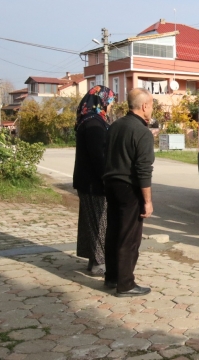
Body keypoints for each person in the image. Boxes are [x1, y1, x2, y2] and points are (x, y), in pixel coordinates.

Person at [102, 88, 155, 297]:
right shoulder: (142, 132)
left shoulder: (115, 126)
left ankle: (112, 276)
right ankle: (125, 284)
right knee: (129, 237)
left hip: (111, 183)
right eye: (151, 105)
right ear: (144, 106)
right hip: (129, 187)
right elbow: (143, 169)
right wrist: (147, 201)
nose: (151, 109)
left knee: (114, 231)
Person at [72, 85, 115, 276]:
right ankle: (99, 262)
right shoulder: (94, 124)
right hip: (94, 182)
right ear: (101, 101)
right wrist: (107, 178)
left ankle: (93, 260)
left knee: (92, 221)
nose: (111, 107)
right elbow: (98, 156)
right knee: (100, 222)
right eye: (110, 102)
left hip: (86, 180)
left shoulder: (88, 119)